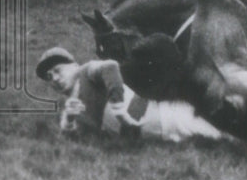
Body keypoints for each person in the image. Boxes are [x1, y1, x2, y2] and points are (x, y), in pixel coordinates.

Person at [35, 46, 225, 142]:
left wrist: (120, 111)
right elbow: (77, 141)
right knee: (215, 140)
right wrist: (68, 120)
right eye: (49, 77)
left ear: (73, 65)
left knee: (224, 135)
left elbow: (110, 67)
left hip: (168, 117)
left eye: (58, 70)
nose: (54, 79)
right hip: (152, 137)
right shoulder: (72, 104)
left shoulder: (86, 71)